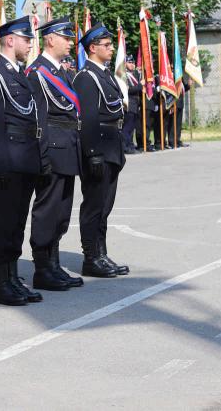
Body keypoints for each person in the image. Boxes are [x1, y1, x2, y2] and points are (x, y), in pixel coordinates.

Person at [0, 15, 47, 306]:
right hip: (7, 162)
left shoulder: (18, 74)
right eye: (26, 39)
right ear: (10, 40)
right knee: (5, 222)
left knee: (18, 222)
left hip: (24, 158)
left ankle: (12, 277)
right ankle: (1, 283)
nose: (30, 44)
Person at [26, 17, 84, 290]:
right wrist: (41, 156)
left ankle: (54, 264)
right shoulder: (38, 73)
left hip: (67, 149)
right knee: (47, 210)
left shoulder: (61, 72)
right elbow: (38, 119)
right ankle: (42, 269)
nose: (71, 43)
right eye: (66, 38)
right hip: (51, 150)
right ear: (50, 39)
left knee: (61, 212)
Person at [73, 23, 129, 277]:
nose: (111, 48)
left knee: (105, 205)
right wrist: (93, 153)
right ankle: (91, 257)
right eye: (106, 45)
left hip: (111, 145)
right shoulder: (86, 77)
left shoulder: (104, 74)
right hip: (99, 147)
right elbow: (87, 118)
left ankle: (101, 254)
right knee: (94, 205)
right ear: (92, 48)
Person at [123, 55, 142, 154]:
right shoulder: (124, 75)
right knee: (127, 127)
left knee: (132, 128)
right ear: (125, 63)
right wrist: (140, 85)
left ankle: (130, 145)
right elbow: (128, 89)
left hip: (135, 104)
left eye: (133, 62)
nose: (132, 64)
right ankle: (125, 147)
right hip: (128, 104)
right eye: (129, 62)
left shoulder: (134, 74)